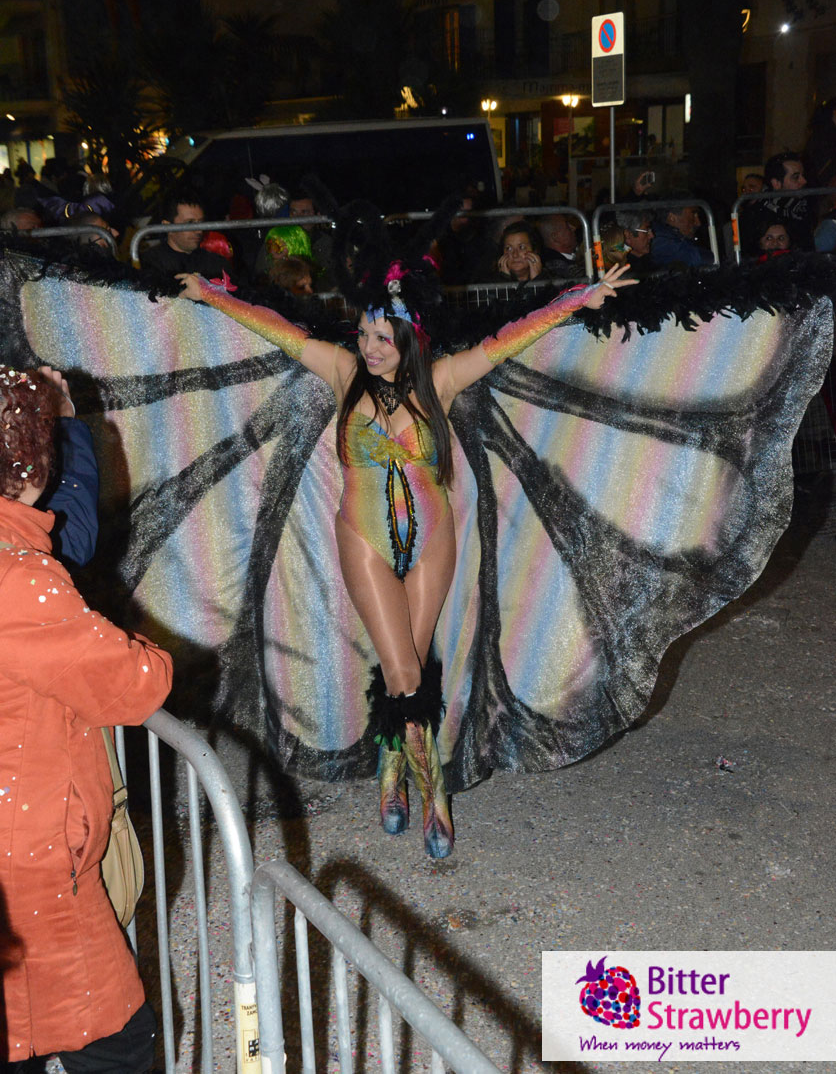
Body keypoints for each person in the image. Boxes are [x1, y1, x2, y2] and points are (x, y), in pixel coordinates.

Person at [177, 259, 635, 858]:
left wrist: (579, 300)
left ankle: (391, 770)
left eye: (383, 338)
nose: (369, 348)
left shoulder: (440, 380)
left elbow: (505, 341)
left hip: (433, 542)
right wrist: (213, 295)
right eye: (364, 335)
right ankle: (434, 796)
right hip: (363, 540)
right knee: (403, 673)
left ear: (410, 339)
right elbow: (282, 332)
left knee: (410, 667)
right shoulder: (343, 373)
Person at [0, 366, 173, 1072]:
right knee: (120, 1043)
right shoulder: (20, 581)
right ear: (33, 466)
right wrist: (149, 649)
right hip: (31, 870)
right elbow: (134, 684)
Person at [140, 192, 230, 279]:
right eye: (189, 223)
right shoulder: (149, 263)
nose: (199, 230)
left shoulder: (216, 264)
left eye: (201, 223)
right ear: (167, 226)